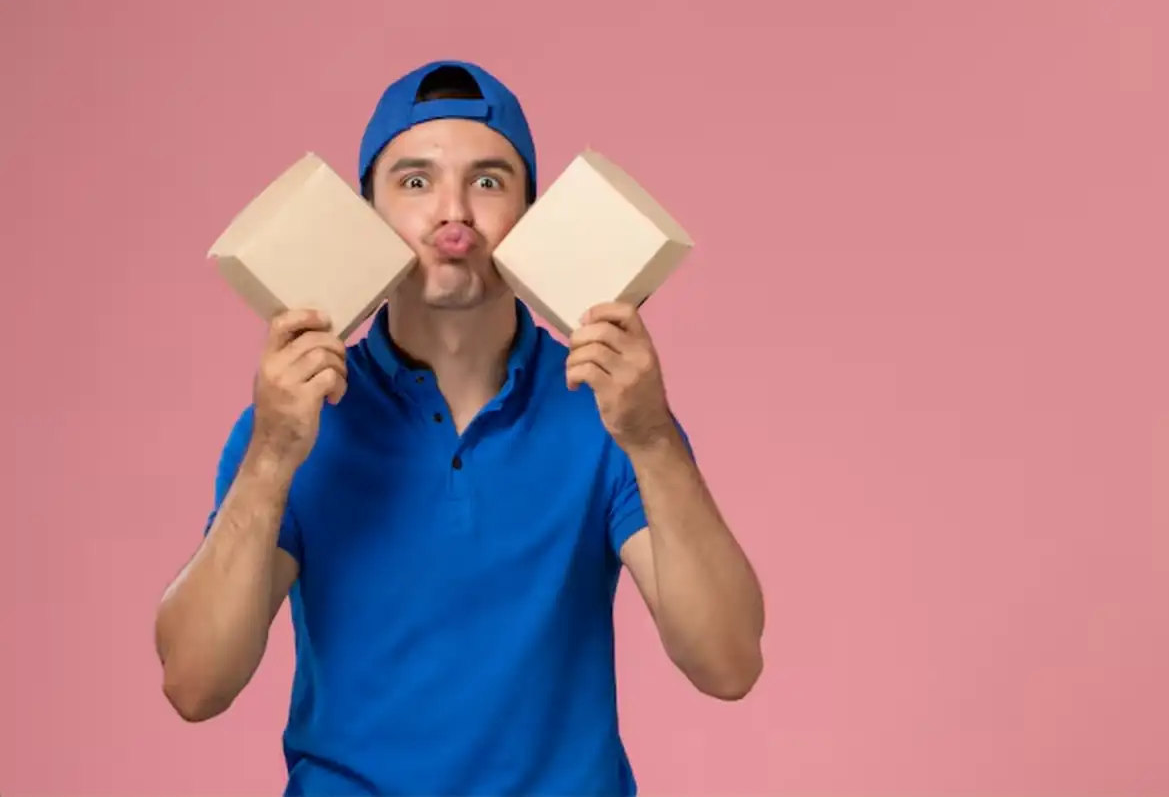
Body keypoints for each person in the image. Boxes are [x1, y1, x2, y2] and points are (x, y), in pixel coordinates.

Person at [154, 58, 765, 796]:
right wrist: (272, 457)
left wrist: (653, 438)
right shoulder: (296, 417)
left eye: (488, 181)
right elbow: (195, 684)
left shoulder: (607, 408)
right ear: (365, 215)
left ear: (530, 217)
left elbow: (729, 663)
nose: (455, 214)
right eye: (415, 182)